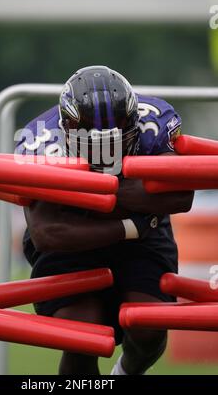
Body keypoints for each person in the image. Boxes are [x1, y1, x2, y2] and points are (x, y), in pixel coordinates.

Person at [15, 65, 194, 375]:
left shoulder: (155, 120)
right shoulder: (39, 140)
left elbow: (180, 195)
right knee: (82, 336)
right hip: (77, 248)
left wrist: (88, 187)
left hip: (136, 238)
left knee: (149, 328)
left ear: (135, 124)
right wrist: (129, 221)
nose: (103, 152)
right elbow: (47, 232)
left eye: (114, 139)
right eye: (92, 143)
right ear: (67, 129)